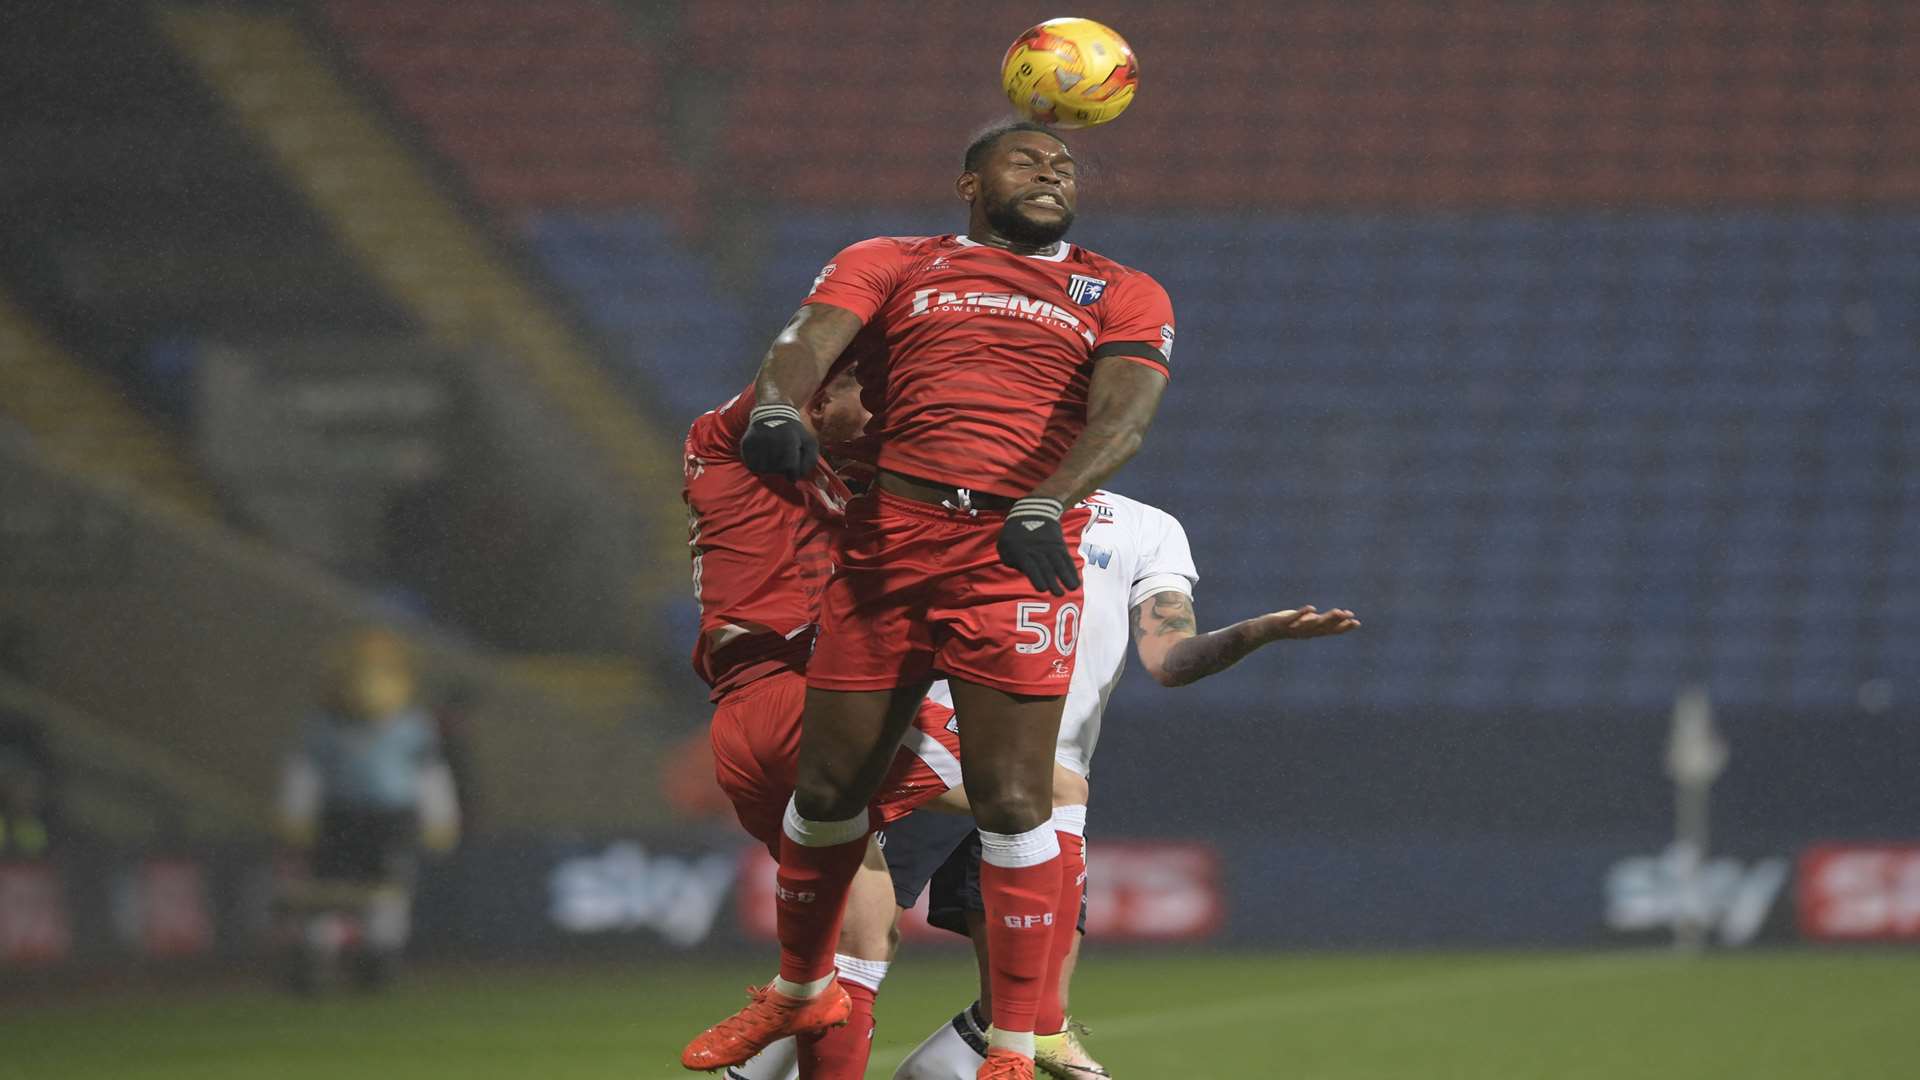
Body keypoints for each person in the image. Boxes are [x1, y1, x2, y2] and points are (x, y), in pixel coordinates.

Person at [683, 119, 1179, 1080]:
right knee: (923, 797)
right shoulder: (880, 278)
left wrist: (1044, 497)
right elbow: (800, 348)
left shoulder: (1118, 290)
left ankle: (990, 1043)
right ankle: (895, 1008)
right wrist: (783, 405)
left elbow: (1118, 413)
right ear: (966, 182)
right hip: (840, 615)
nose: (1050, 168)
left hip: (957, 586)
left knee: (956, 846)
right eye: (1023, 158)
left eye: (1063, 160)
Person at [730, 491, 1360, 1080]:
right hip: (933, 750)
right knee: (857, 951)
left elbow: (1170, 658)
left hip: (1052, 778)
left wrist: (1253, 634)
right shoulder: (968, 498)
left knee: (1032, 1013)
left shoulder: (1149, 528)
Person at [684, 373, 971, 1078]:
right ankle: (1029, 1028)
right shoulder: (727, 440)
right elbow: (781, 385)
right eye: (867, 393)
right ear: (819, 392)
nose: (879, 414)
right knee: (1040, 790)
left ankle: (774, 1037)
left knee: (862, 938)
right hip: (800, 704)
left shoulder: (842, 486)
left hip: (753, 720)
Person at [275, 628, 460, 992]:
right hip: (339, 815)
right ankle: (315, 955)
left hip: (392, 819)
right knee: (327, 887)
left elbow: (430, 774)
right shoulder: (323, 726)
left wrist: (441, 818)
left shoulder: (411, 727)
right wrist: (294, 814)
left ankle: (379, 958)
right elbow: (304, 772)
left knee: (390, 887)